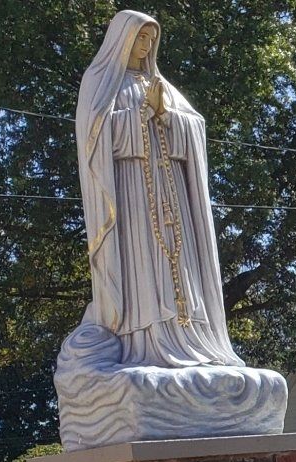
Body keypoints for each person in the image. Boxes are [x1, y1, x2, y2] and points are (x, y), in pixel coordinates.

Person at [75, 10, 247, 368]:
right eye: (140, 37)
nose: (146, 45)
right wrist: (141, 115)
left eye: (151, 39)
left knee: (181, 265)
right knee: (144, 264)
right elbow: (95, 139)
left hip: (173, 192)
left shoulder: (161, 85)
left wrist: (165, 114)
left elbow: (195, 129)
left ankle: (190, 340)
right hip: (132, 192)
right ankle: (145, 343)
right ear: (122, 39)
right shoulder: (100, 81)